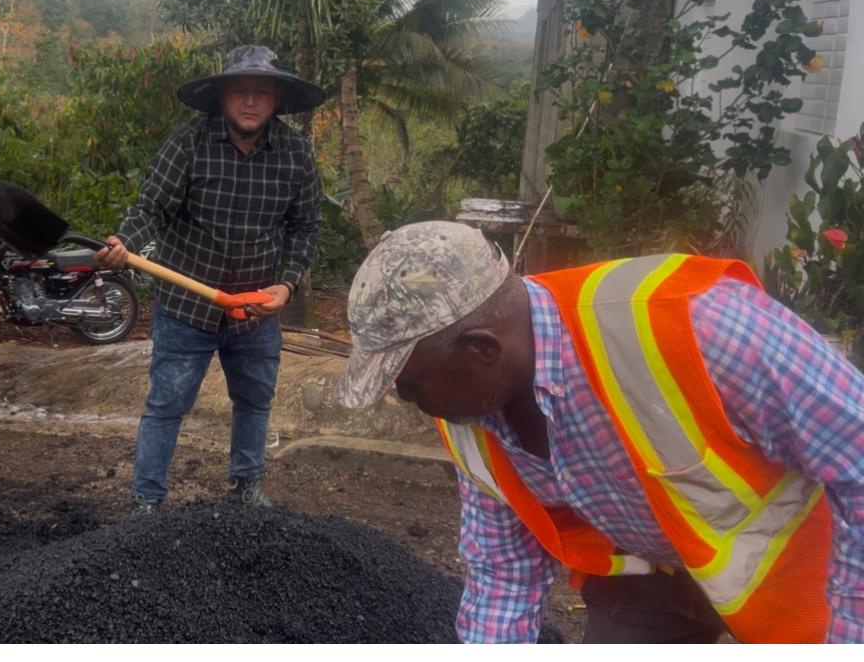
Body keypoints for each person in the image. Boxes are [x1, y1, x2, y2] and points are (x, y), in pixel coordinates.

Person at [335, 221, 864, 643]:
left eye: (410, 385)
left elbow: (858, 455)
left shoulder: (695, 324)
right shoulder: (470, 414)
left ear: (482, 350)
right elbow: (504, 570)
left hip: (799, 578)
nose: (409, 402)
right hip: (643, 583)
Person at [96, 45, 324, 515]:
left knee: (255, 400)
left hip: (255, 308)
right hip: (187, 305)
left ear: (276, 99)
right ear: (222, 96)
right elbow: (151, 209)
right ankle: (146, 503)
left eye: (261, 92)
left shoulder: (296, 154)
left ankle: (245, 489)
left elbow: (305, 228)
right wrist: (125, 243)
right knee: (167, 403)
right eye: (240, 90)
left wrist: (287, 286)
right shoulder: (189, 144)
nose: (250, 101)